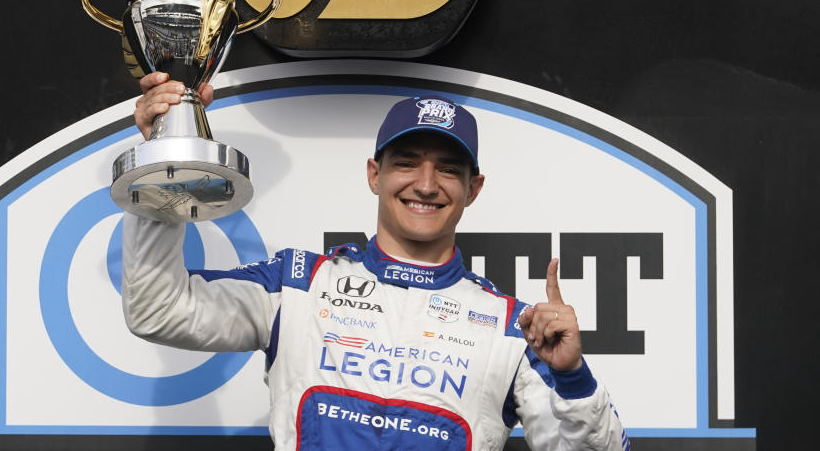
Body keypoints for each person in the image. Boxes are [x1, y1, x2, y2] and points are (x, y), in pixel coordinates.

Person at [123, 73, 630, 451]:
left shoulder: (510, 329)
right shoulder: (299, 284)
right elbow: (157, 309)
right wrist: (163, 157)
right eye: (407, 162)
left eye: (447, 169)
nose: (426, 184)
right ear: (374, 173)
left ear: (473, 189)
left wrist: (573, 378)